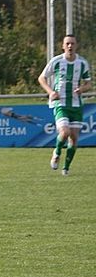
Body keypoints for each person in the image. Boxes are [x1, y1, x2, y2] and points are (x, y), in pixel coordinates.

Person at [38, 34, 92, 175]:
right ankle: (56, 153)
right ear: (63, 46)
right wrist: (50, 92)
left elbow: (89, 83)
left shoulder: (82, 63)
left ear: (76, 46)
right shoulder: (56, 61)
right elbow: (42, 77)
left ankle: (66, 168)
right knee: (65, 132)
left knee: (74, 138)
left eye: (72, 43)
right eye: (67, 43)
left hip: (76, 105)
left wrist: (82, 89)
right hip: (60, 103)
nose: (70, 46)